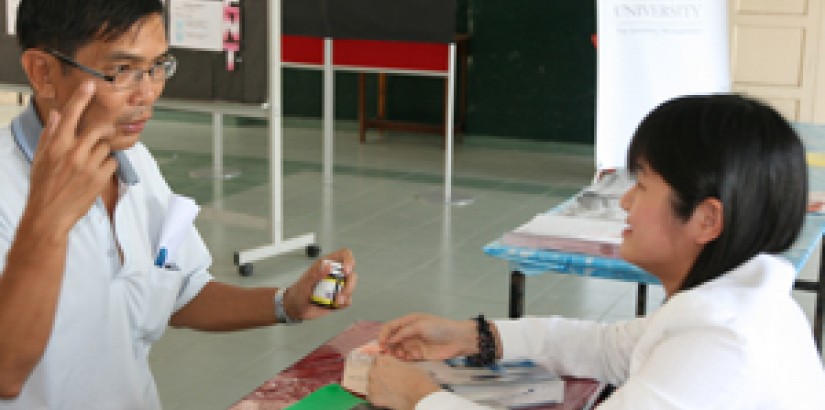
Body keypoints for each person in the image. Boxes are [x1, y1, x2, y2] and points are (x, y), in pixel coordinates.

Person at [0, 0, 357, 408]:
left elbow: (182, 291)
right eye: (122, 71)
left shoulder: (135, 163)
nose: (148, 92)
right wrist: (46, 223)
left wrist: (285, 303)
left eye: (158, 67)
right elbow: (6, 373)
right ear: (42, 72)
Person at [367, 94, 825, 409]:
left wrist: (421, 399)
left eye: (642, 185)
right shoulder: (734, 305)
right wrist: (475, 337)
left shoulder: (722, 343)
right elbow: (608, 347)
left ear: (707, 220)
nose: (625, 202)